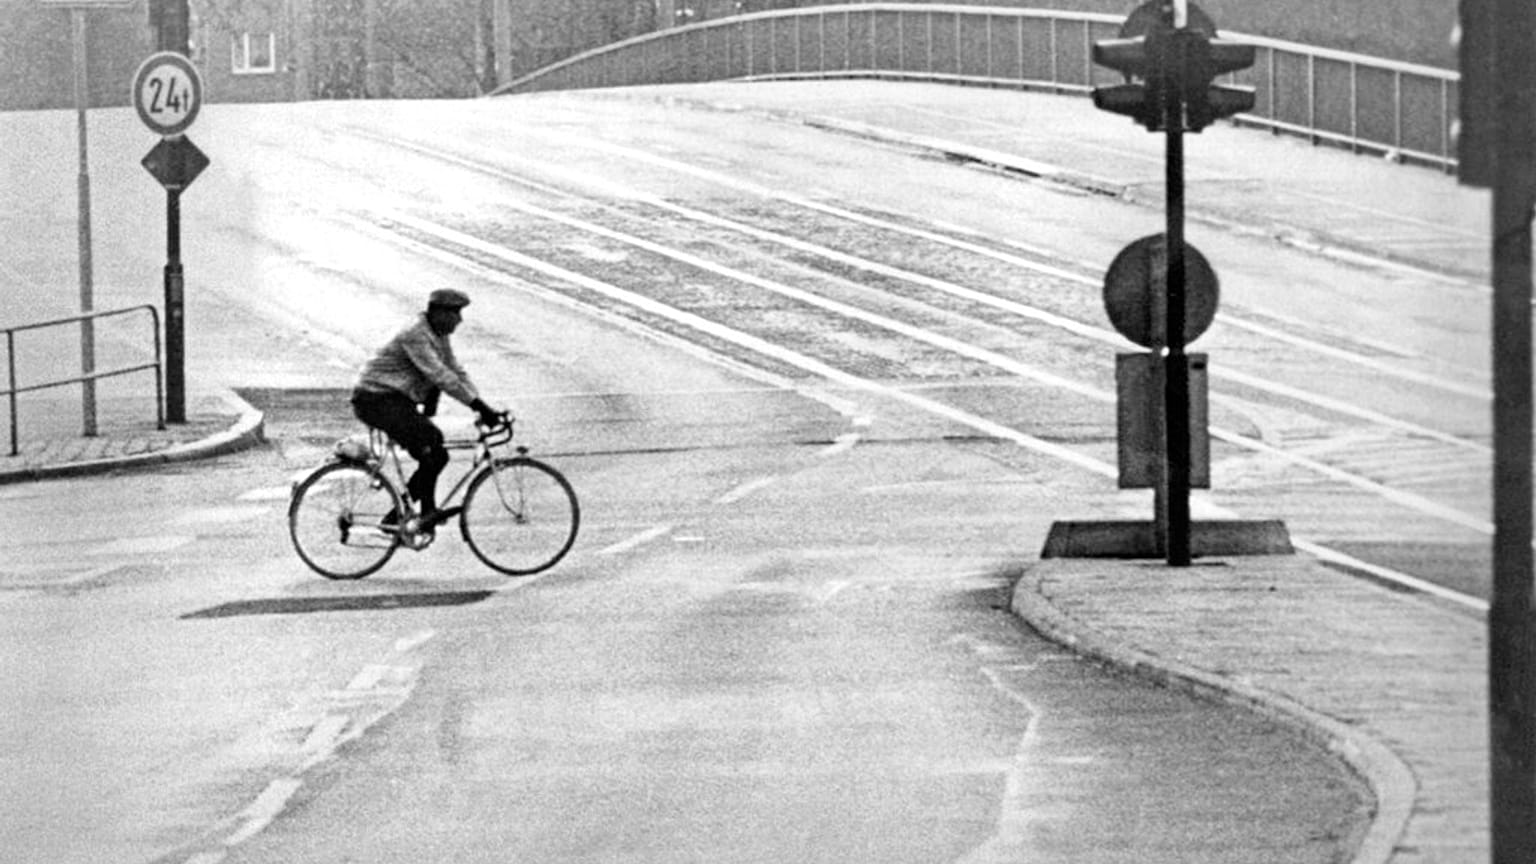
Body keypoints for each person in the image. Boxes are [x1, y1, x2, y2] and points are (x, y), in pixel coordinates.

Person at [351, 288, 505, 528]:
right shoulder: (415, 334)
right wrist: (480, 408)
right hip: (376, 399)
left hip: (395, 399)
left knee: (436, 454)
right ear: (439, 313)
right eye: (456, 313)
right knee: (432, 442)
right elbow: (440, 375)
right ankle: (414, 514)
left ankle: (411, 514)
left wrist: (481, 404)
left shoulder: (437, 334)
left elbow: (455, 370)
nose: (460, 320)